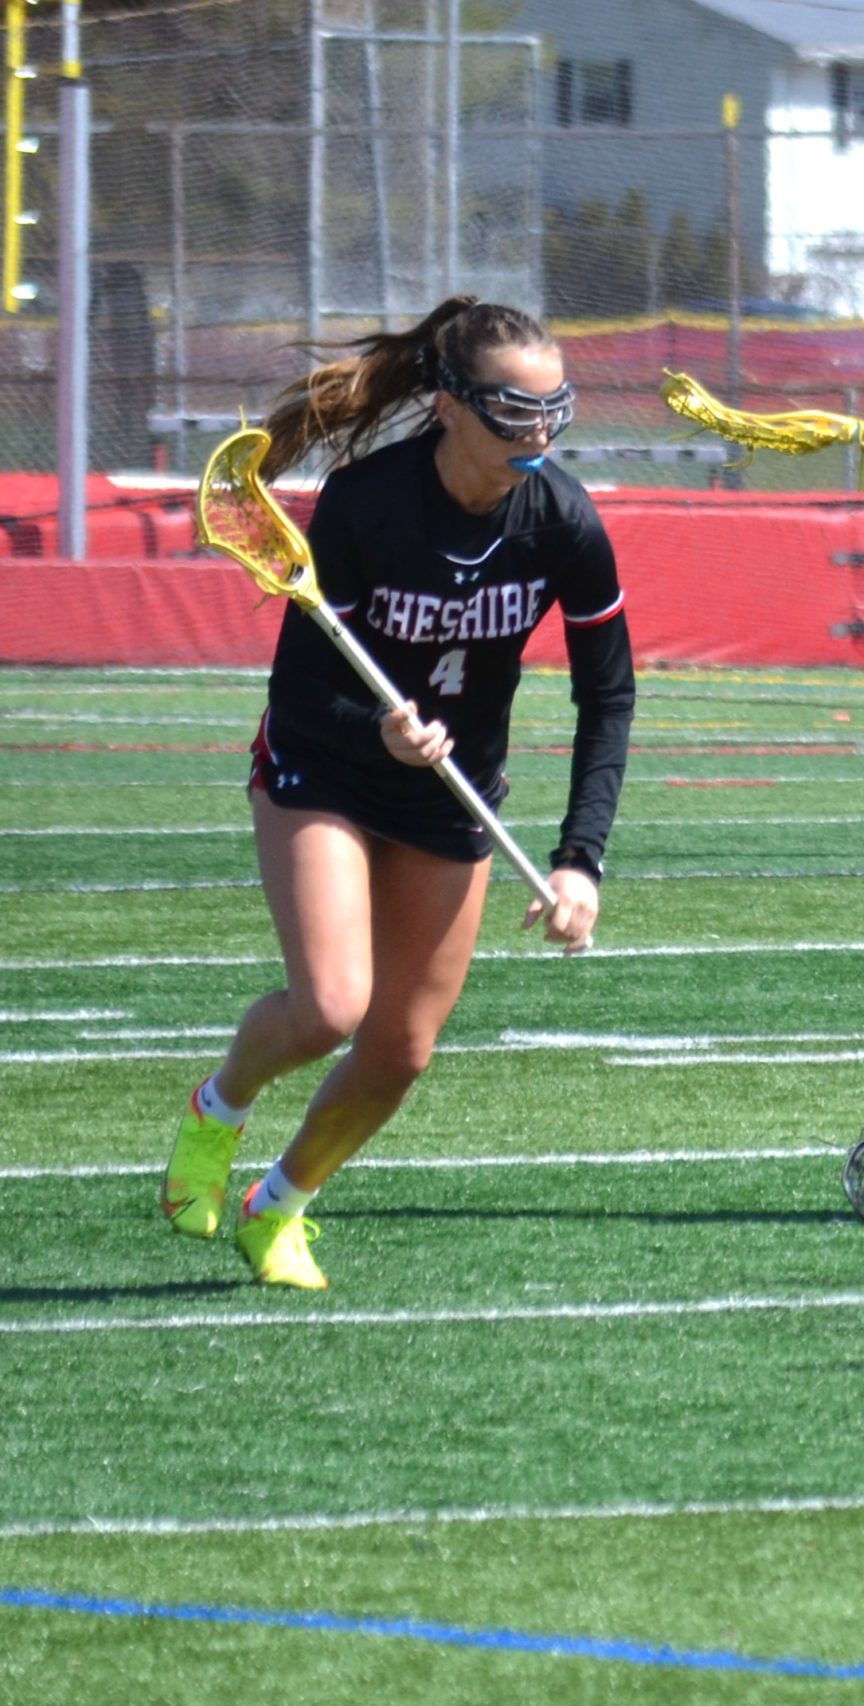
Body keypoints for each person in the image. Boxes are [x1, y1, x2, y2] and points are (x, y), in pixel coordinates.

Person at [159, 296, 635, 1290]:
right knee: (332, 1003)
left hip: (449, 795)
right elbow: (299, 691)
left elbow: (609, 697)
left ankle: (278, 1204)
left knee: (400, 1050)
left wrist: (578, 858)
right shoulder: (368, 502)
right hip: (322, 768)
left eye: (554, 410)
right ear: (451, 406)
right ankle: (218, 1109)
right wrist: (375, 727)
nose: (539, 434)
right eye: (514, 411)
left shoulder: (563, 521)